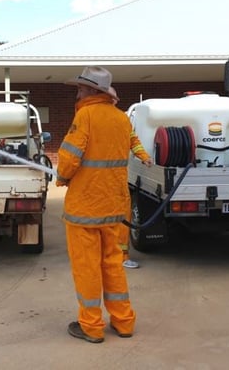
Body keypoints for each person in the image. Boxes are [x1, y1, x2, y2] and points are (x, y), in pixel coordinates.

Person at [56, 66, 136, 343]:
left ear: (92, 91)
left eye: (80, 88)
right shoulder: (122, 118)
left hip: (85, 210)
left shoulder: (85, 115)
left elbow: (69, 157)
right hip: (114, 207)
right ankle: (123, 322)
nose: (77, 93)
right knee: (113, 264)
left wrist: (62, 177)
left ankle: (91, 326)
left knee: (87, 268)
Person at [109, 87, 152, 269]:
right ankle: (116, 257)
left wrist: (144, 157)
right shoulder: (117, 119)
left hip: (115, 180)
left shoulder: (121, 120)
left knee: (120, 219)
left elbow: (133, 140)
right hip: (107, 181)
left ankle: (120, 256)